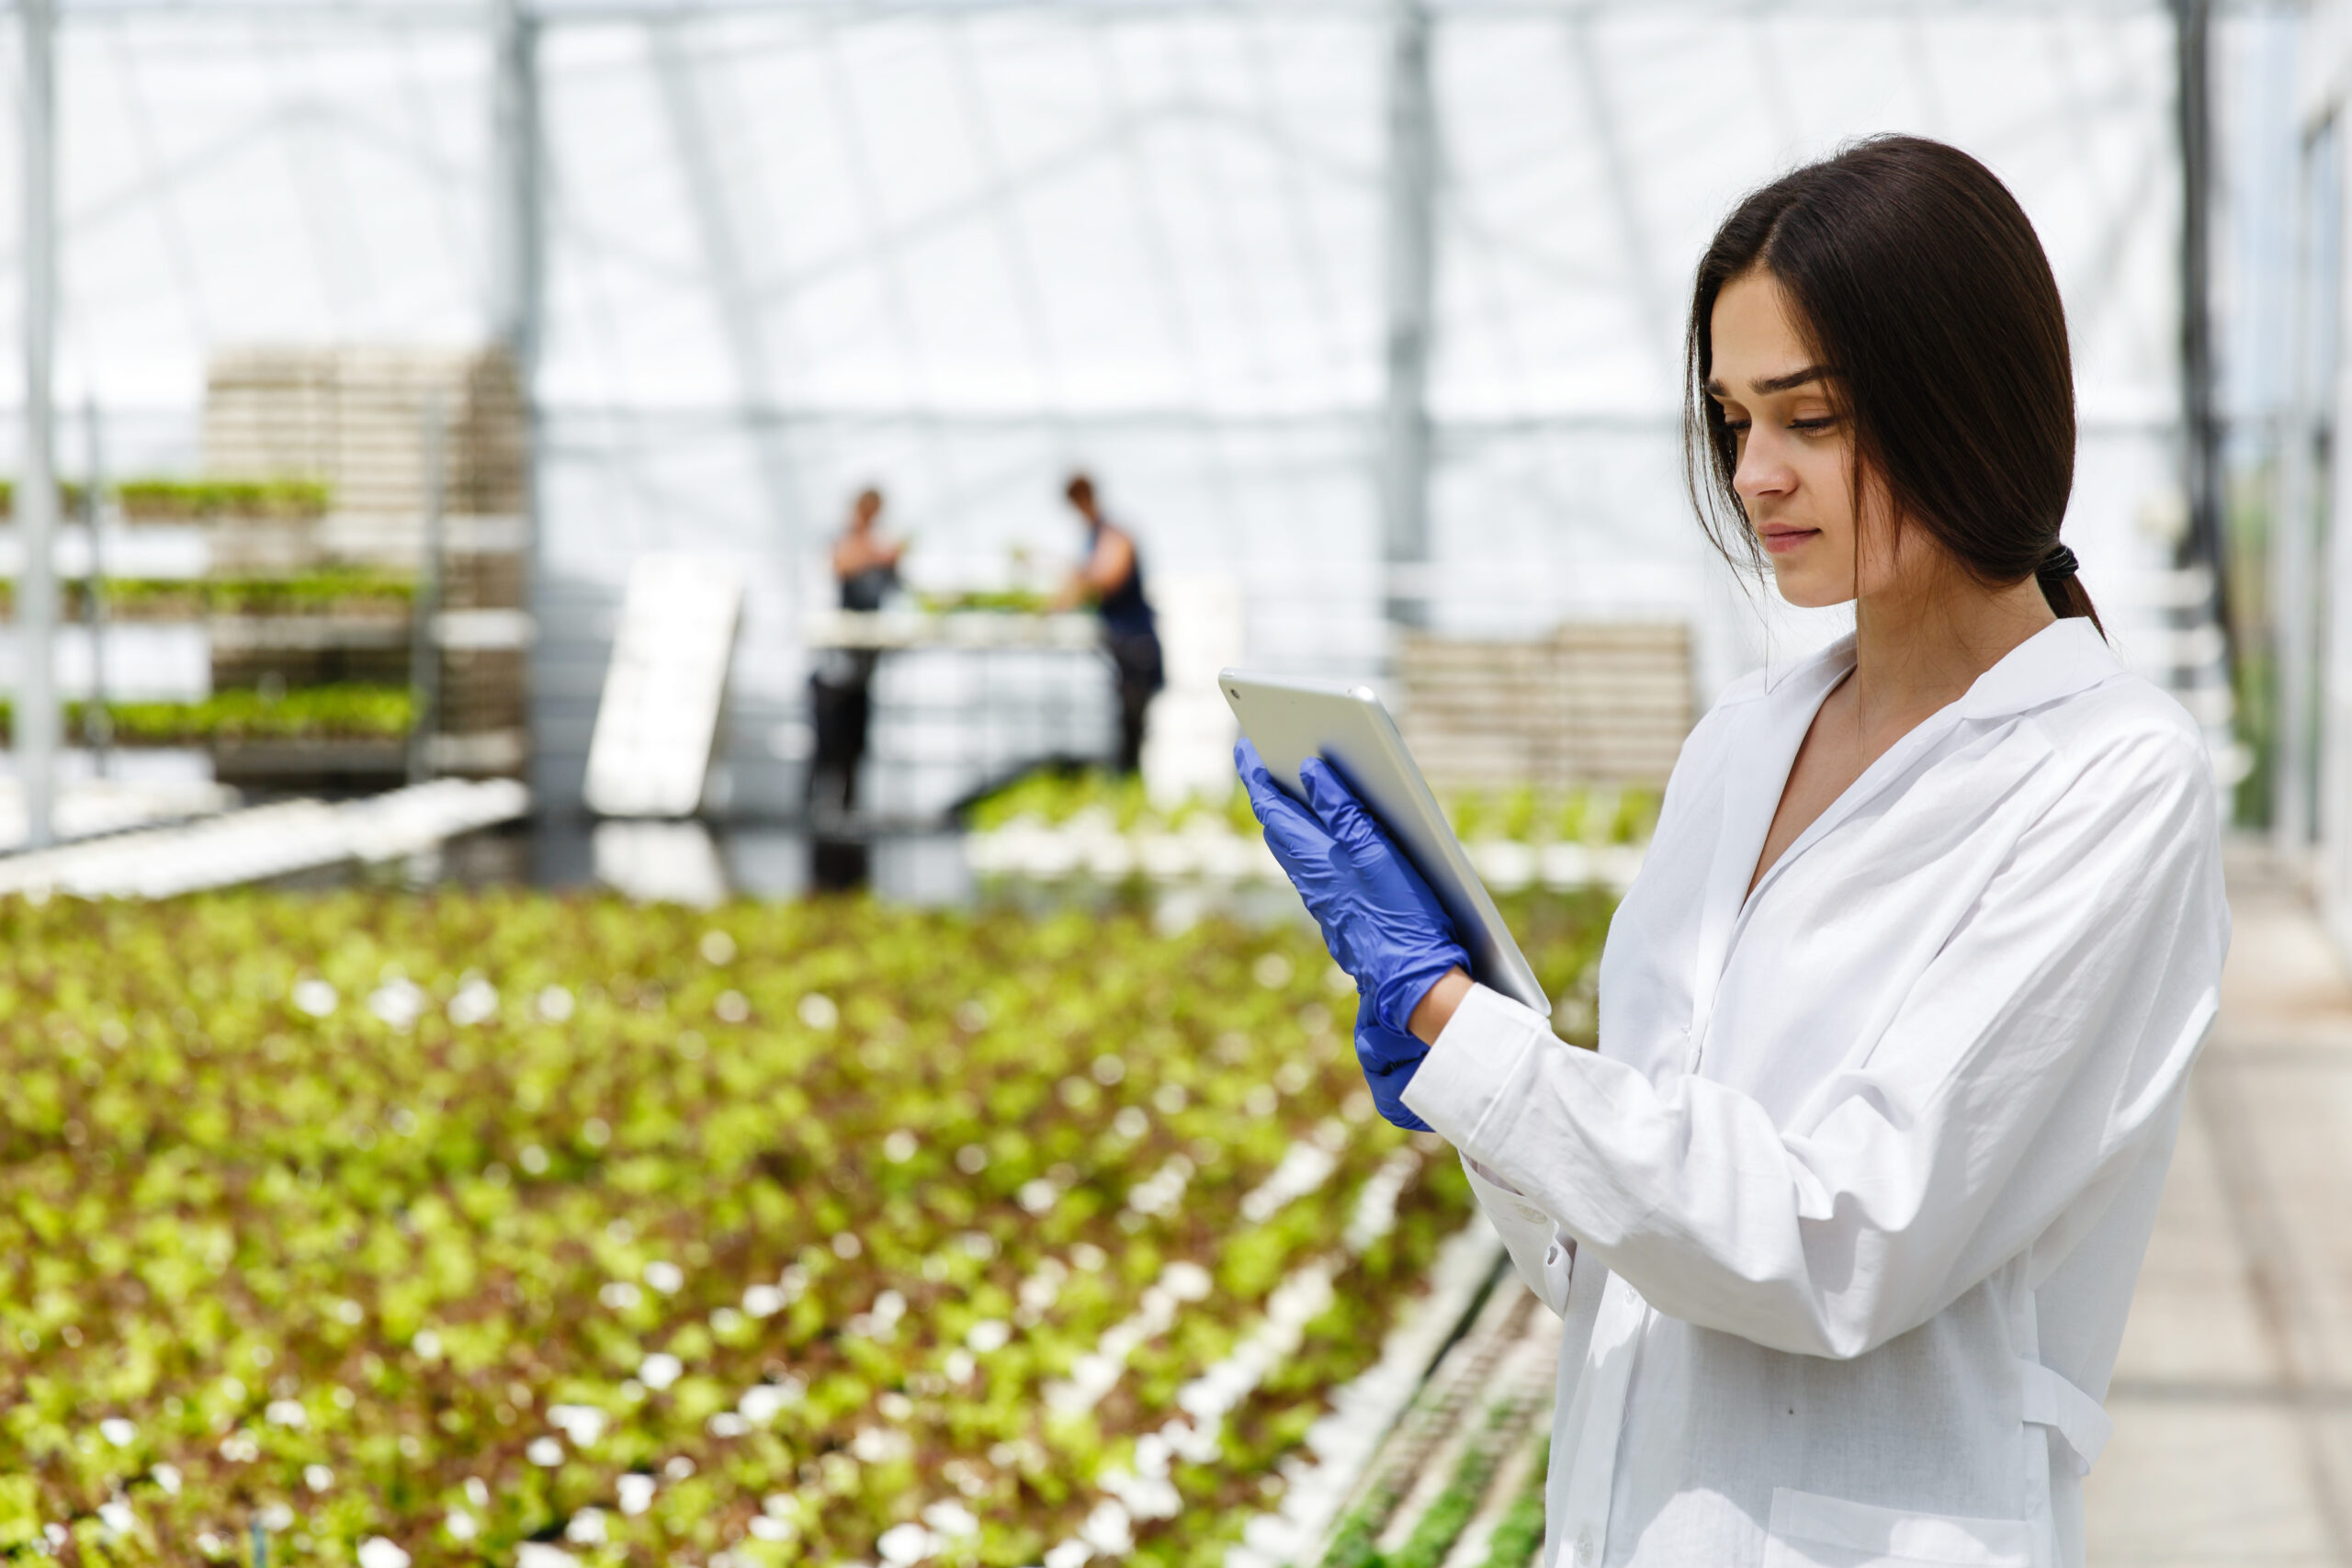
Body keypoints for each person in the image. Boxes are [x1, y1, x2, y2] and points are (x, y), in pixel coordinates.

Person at [1238, 136, 2228, 1568]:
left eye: (1809, 416)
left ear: (1963, 396)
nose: (1756, 473)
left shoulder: (2109, 776)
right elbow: (1616, 1244)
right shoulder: (1739, 743)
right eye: (1731, 418)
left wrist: (1472, 1036)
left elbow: (1845, 1237)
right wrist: (1488, 1085)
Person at [1053, 472, 1162, 775]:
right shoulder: (1094, 536)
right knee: (1126, 725)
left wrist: (1073, 587)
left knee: (1136, 726)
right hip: (1121, 643)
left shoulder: (1115, 535)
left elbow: (1106, 579)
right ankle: (1128, 783)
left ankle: (1133, 786)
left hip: (1136, 643)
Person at [807, 487, 902, 819]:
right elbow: (840, 564)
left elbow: (896, 587)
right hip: (833, 666)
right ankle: (815, 811)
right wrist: (878, 555)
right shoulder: (845, 542)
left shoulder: (879, 548)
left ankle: (848, 811)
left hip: (862, 667)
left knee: (855, 744)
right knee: (826, 744)